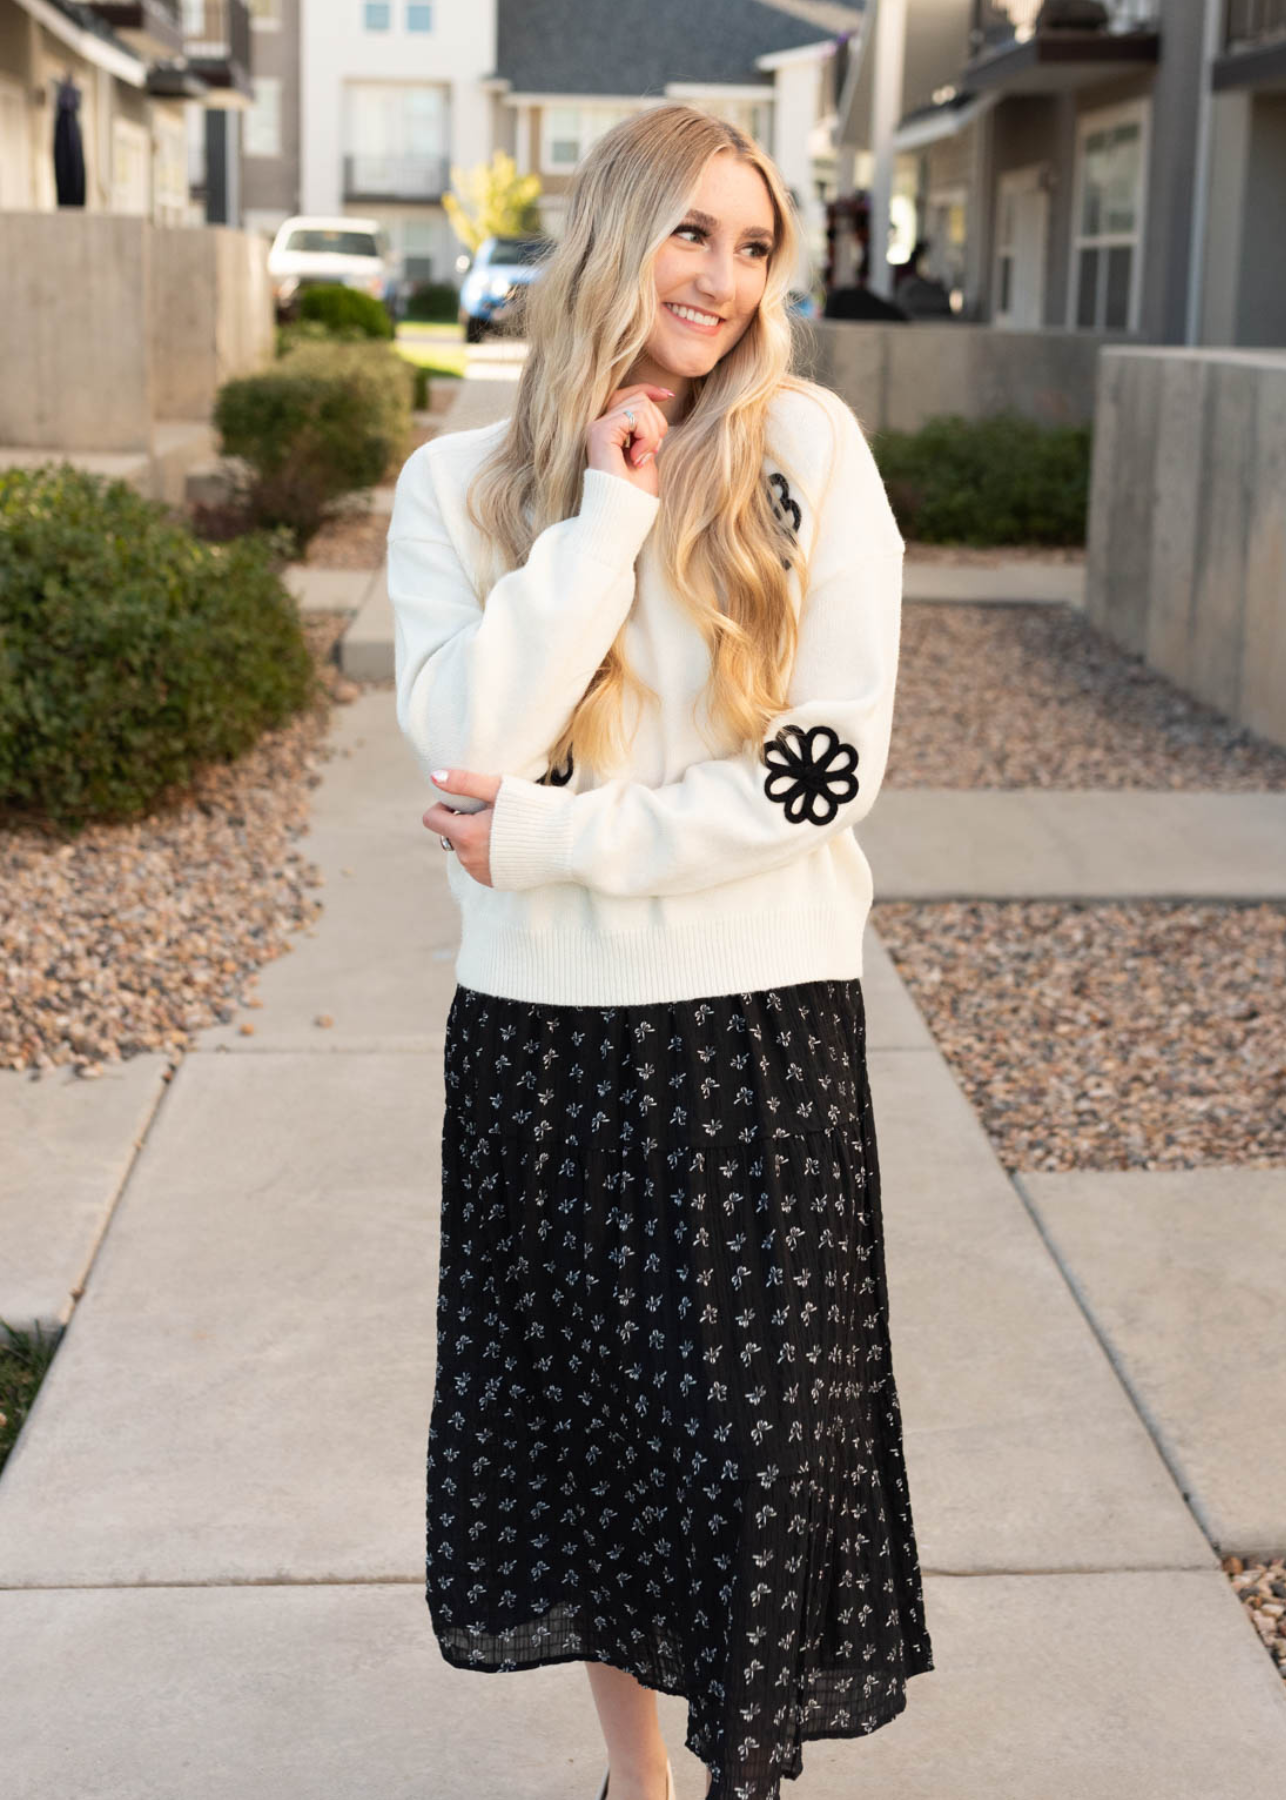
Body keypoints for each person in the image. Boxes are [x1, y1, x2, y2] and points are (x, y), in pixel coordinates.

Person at [386, 102, 935, 1800]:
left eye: (750, 241)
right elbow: (468, 734)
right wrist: (603, 520)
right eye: (688, 231)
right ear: (618, 235)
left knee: (764, 1463)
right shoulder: (457, 487)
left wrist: (556, 842)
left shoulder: (810, 449)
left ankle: (745, 1779)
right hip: (547, 1036)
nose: (718, 274)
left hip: (759, 1025)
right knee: (605, 1459)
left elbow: (823, 766)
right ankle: (636, 1780)